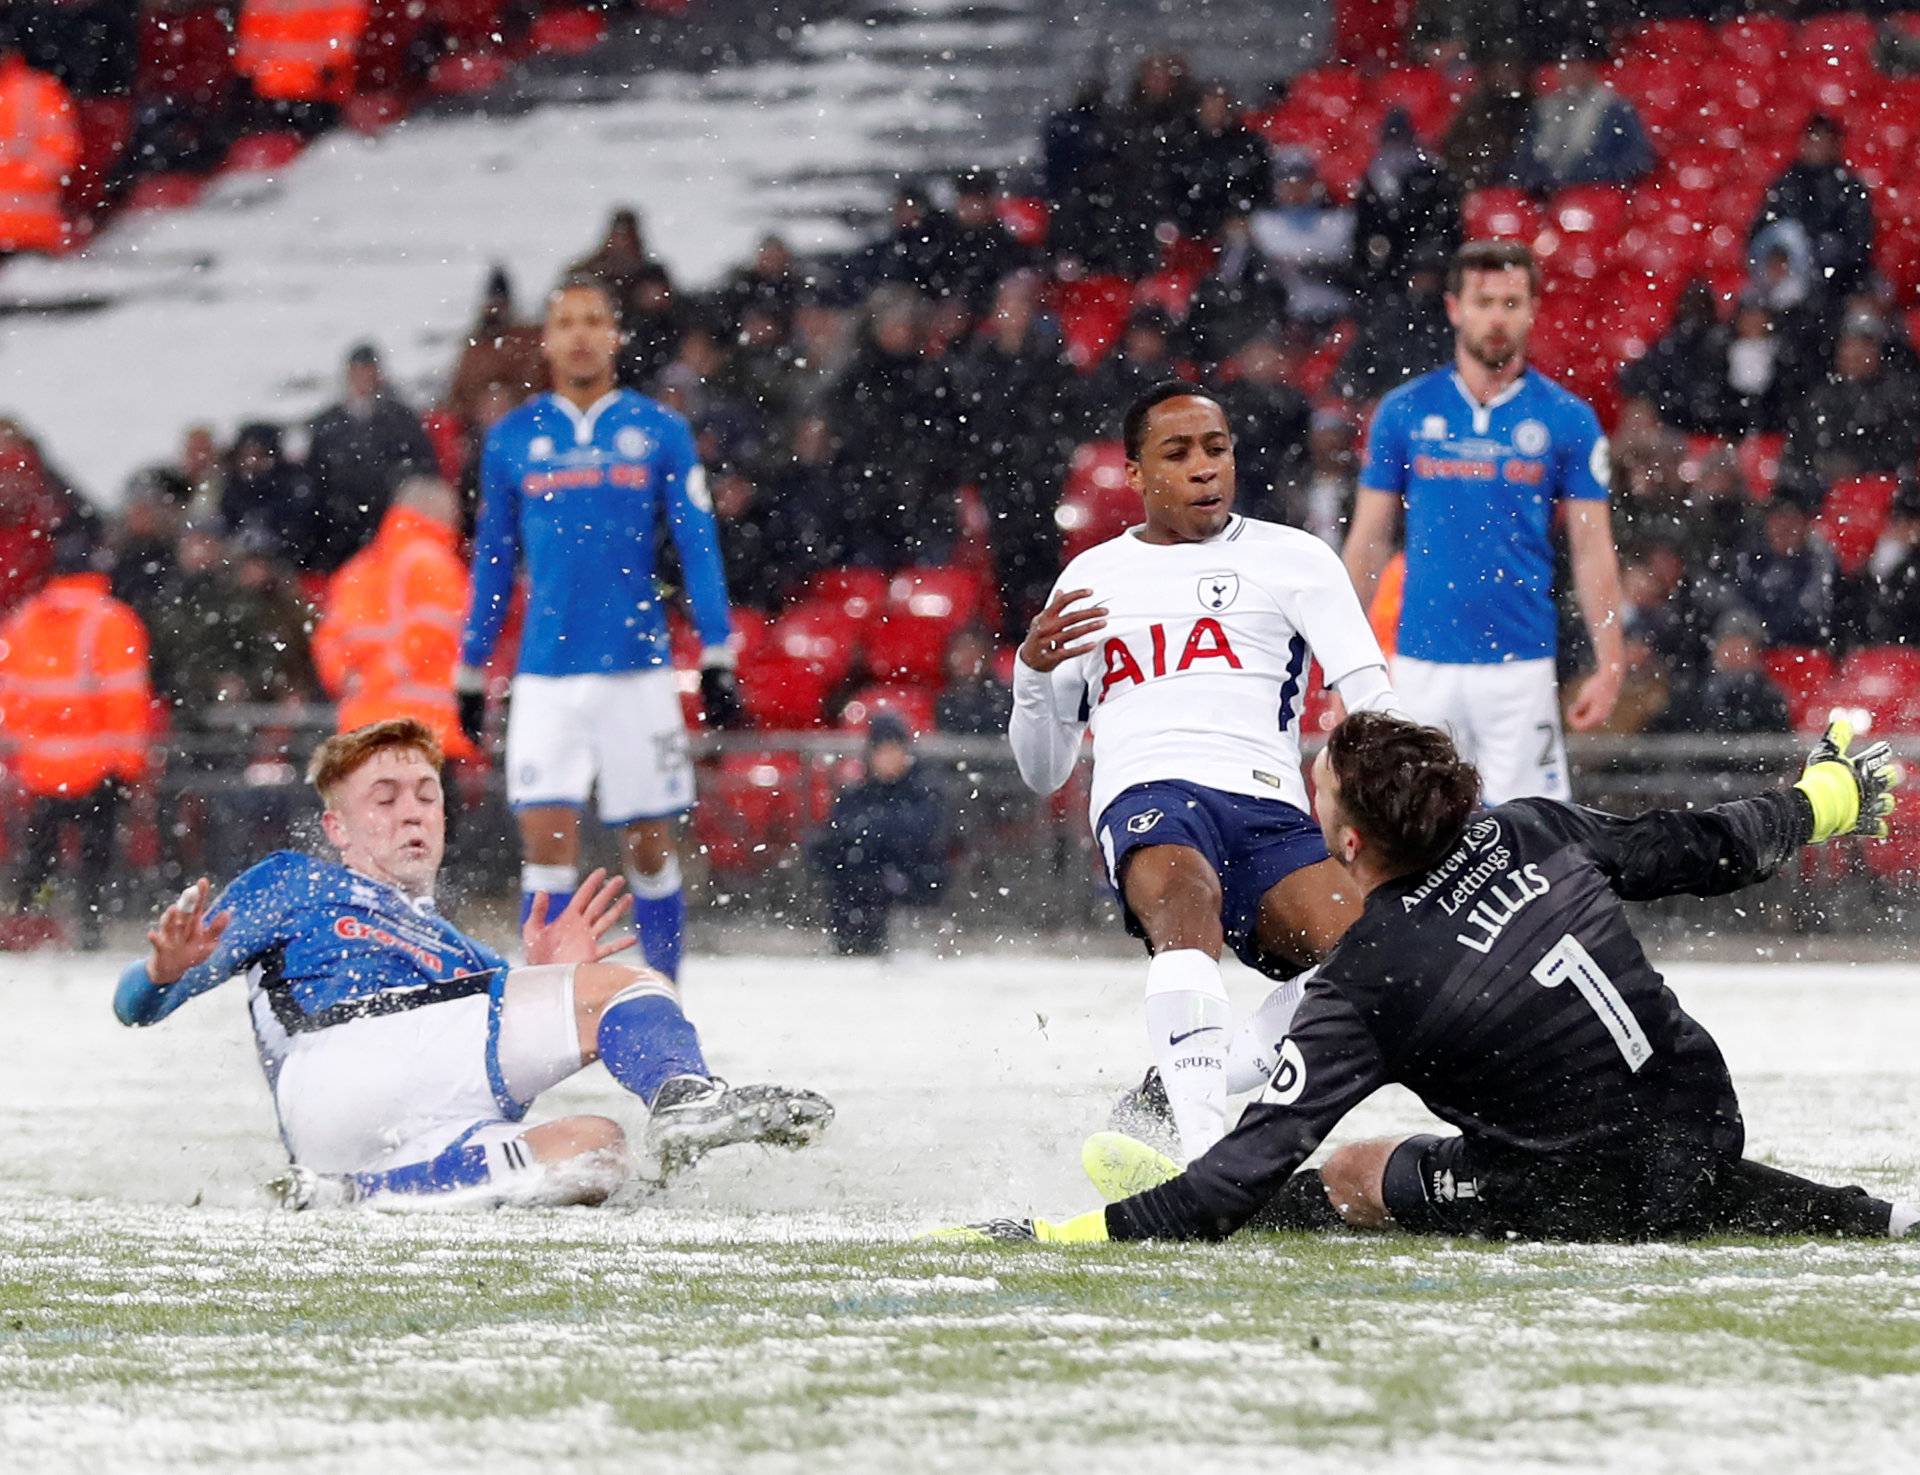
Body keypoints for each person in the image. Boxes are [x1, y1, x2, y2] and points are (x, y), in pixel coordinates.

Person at [938, 710, 1914, 1247]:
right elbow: (1709, 847)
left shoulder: (1365, 978)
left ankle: (1319, 1220)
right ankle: (1851, 1210)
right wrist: (1821, 796)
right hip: (1708, 1120)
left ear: (1351, 839)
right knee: (1663, 1155)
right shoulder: (1536, 826)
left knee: (1354, 1168)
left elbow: (1238, 1176)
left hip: (1587, 1200)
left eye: (1316, 784)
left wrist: (1067, 1232)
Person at [113, 719, 831, 1209]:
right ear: (337, 826)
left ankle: (359, 1196)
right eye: (385, 798)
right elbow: (131, 1007)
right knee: (630, 986)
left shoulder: (461, 952)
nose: (413, 811)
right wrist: (161, 974)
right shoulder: (298, 880)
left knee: (594, 1152)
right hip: (340, 1058)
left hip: (358, 1141)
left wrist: (540, 972)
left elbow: (478, 1018)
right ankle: (685, 1099)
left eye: (427, 796)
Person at [1009, 381, 1398, 1163]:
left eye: (1216, 449)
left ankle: (1185, 1082)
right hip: (1149, 794)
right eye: (1178, 452)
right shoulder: (1089, 578)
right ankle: (1205, 1153)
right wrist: (1030, 675)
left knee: (1379, 965)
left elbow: (1372, 694)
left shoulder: (1295, 558)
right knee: (1188, 909)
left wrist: (1386, 783)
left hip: (1267, 805)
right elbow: (1043, 770)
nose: (1203, 469)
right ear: (1135, 472)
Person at [456, 276, 745, 984]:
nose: (580, 333)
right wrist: (470, 665)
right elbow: (494, 559)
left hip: (636, 670)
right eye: (566, 322)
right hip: (546, 675)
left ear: (615, 336)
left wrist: (717, 647)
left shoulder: (659, 431)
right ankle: (548, 1006)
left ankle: (665, 994)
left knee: (648, 845)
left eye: (594, 320)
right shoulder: (513, 440)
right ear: (547, 340)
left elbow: (698, 543)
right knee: (546, 846)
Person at [1342, 239, 1625, 803]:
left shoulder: (1567, 418)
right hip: (1419, 664)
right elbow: (1368, 543)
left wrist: (1611, 661)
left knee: (1530, 838)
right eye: (1484, 301)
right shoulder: (1403, 411)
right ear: (1454, 307)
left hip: (1519, 666)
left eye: (1511, 303)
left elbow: (1593, 548)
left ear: (1533, 310)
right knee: (1412, 837)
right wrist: (1344, 662)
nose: (1497, 317)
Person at [0, 534, 151, 949]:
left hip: (42, 766)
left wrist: (23, 749)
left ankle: (27, 919)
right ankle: (88, 923)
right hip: (99, 765)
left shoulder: (25, 619)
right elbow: (127, 701)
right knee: (94, 855)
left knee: (40, 852)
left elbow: (9, 695)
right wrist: (131, 765)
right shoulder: (113, 621)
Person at [312, 478, 477, 765]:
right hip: (424, 729)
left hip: (362, 730)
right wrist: (382, 677)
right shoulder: (433, 562)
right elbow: (434, 633)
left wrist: (350, 681)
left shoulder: (358, 569)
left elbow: (327, 640)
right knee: (426, 808)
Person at [808, 714, 952, 956]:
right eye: (882, 751)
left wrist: (870, 834)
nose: (888, 759)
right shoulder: (855, 794)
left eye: (894, 750)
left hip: (909, 876)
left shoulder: (924, 792)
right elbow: (838, 832)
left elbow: (917, 833)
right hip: (862, 878)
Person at [306, 342, 439, 569]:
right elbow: (316, 475)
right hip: (342, 525)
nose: (363, 379)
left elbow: (423, 466)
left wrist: (398, 489)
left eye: (368, 371)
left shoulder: (400, 418)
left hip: (390, 517)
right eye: (357, 372)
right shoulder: (328, 423)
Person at [1750, 115, 1875, 303]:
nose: (1818, 147)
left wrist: (1827, 256)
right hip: (1789, 281)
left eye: (1824, 141)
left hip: (1839, 283)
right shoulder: (1786, 183)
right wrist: (1781, 255)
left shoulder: (1850, 187)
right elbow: (1764, 230)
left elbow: (1859, 239)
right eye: (1814, 139)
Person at [1514, 53, 1652, 191]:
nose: (1570, 73)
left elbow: (1636, 159)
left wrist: (1592, 176)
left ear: (1589, 69)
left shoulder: (1614, 109)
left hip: (1598, 194)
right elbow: (1525, 157)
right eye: (1565, 67)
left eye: (1576, 66)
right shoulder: (1543, 110)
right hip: (1547, 197)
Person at [0, 29, 78, 255]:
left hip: (30, 234)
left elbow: (60, 153)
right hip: (32, 229)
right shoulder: (41, 90)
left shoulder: (39, 91)